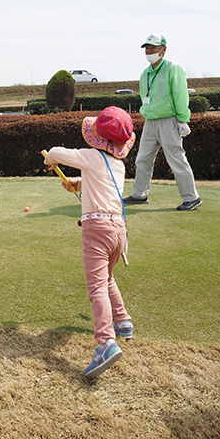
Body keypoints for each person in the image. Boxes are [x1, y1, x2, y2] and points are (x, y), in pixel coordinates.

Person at [44, 106, 135, 380]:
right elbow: (98, 180)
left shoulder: (91, 156)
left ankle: (106, 342)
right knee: (107, 279)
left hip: (96, 229)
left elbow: (58, 153)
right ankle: (124, 321)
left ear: (97, 137)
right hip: (118, 229)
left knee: (96, 286)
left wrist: (50, 158)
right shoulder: (117, 165)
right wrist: (77, 183)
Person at [123, 33, 202, 211]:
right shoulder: (145, 73)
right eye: (147, 48)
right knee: (142, 159)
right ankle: (139, 194)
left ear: (163, 50)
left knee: (176, 159)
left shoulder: (173, 68)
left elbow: (181, 95)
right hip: (150, 122)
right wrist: (144, 113)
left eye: (153, 47)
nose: (149, 51)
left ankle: (192, 198)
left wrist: (183, 120)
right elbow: (144, 97)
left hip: (169, 121)